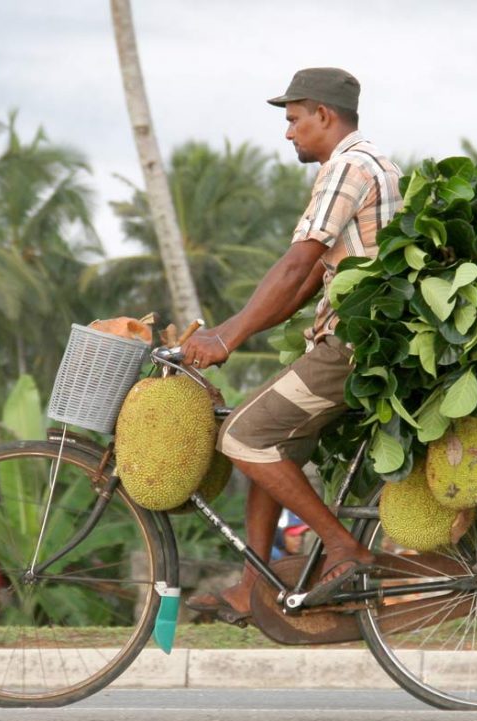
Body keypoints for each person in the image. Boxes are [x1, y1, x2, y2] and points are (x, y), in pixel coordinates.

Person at [183, 67, 402, 624]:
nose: (288, 134)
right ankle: (253, 585)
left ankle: (342, 547)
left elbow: (297, 264)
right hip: (354, 342)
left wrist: (226, 336)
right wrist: (235, 330)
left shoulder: (347, 168)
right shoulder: (370, 163)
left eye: (294, 120)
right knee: (273, 443)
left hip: (351, 345)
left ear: (323, 116)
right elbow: (306, 283)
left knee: (241, 437)